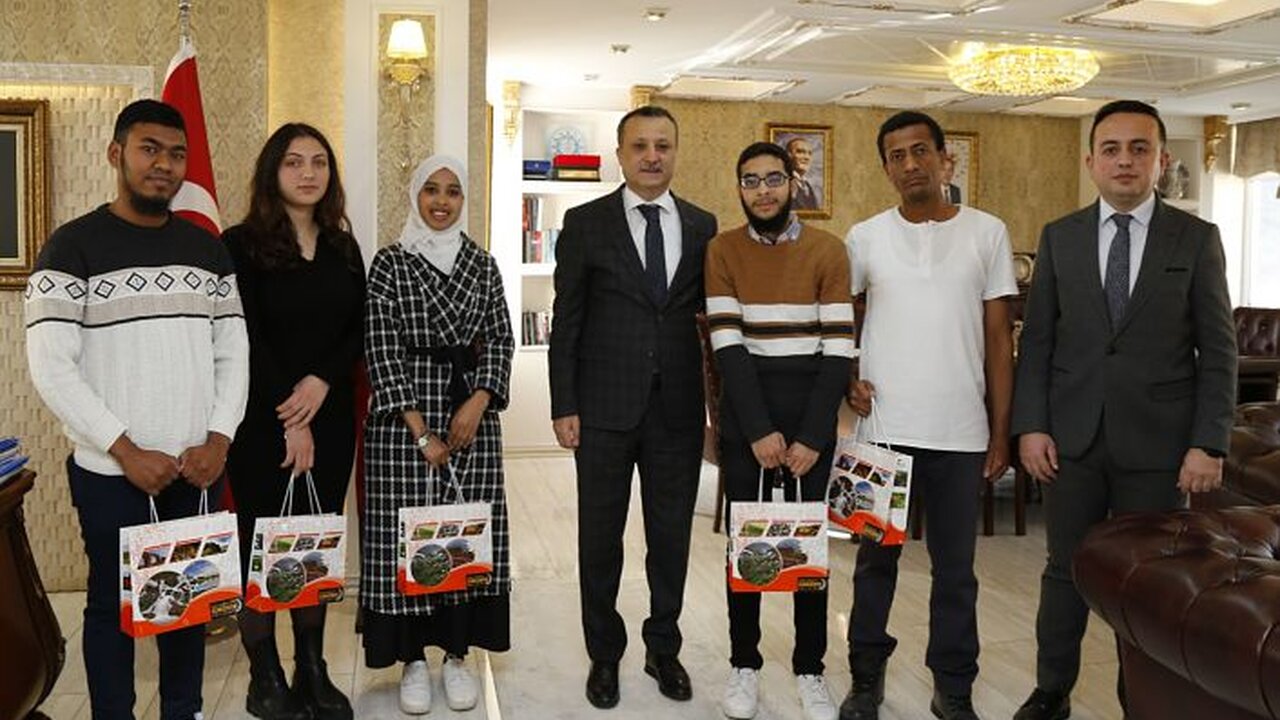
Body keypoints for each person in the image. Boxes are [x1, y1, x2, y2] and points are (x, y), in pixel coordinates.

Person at [1010, 100, 1236, 720]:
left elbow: (1219, 349)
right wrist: (1031, 426)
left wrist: (1209, 442)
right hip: (1070, 442)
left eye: (1140, 148)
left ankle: (1142, 701)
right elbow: (1039, 342)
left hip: (1161, 447)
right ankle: (1050, 691)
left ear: (1161, 161)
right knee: (1065, 570)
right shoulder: (1060, 237)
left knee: (1148, 582)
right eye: (1111, 149)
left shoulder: (1196, 239)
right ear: (1091, 161)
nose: (1125, 161)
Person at [24, 98, 249, 720]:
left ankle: (184, 710)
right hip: (110, 472)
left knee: (189, 602)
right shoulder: (70, 248)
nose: (164, 165)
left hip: (195, 467)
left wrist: (218, 440)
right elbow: (52, 367)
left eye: (176, 154)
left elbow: (233, 353)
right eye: (150, 149)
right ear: (116, 154)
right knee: (110, 606)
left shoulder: (207, 251)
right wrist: (125, 450)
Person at [839, 110, 1016, 720]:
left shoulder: (988, 233)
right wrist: (847, 379)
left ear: (946, 159)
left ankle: (953, 685)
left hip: (961, 434)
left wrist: (1000, 432)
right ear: (886, 168)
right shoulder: (864, 237)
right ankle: (866, 678)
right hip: (881, 434)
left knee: (956, 572)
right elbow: (843, 323)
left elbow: (999, 341)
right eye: (897, 155)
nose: (910, 164)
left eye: (921, 151)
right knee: (874, 565)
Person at [548, 105, 718, 709]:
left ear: (675, 152)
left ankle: (662, 648)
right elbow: (567, 319)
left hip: (677, 412)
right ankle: (604, 653)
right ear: (619, 154)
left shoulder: (702, 225)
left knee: (670, 539)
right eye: (640, 145)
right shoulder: (585, 223)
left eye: (663, 145)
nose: (652, 156)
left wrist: (717, 413)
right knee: (600, 540)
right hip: (602, 410)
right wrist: (563, 403)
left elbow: (709, 323)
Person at [362, 154, 515, 716]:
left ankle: (455, 655)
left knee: (462, 534)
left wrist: (479, 400)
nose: (442, 201)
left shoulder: (483, 264)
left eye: (453, 191)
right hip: (403, 424)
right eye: (431, 190)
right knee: (407, 536)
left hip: (471, 418)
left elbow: (501, 338)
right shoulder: (390, 262)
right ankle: (411, 660)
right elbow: (380, 348)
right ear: (414, 196)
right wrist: (422, 432)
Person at [222, 123, 365, 720]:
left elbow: (356, 327)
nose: (309, 173)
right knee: (262, 546)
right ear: (271, 172)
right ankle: (265, 677)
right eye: (294, 162)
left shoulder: (342, 247)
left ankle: (312, 667)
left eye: (319, 162)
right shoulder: (239, 244)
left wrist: (323, 381)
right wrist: (291, 416)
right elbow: (245, 336)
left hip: (330, 420)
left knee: (313, 545)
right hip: (261, 421)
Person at [706, 141, 854, 720]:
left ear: (793, 183)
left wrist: (813, 436)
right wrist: (758, 431)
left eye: (773, 179)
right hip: (749, 420)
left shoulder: (829, 250)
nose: (762, 190)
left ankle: (810, 668)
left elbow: (837, 350)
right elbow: (728, 347)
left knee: (808, 545)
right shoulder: (722, 250)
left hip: (810, 417)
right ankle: (744, 664)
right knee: (747, 544)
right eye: (751, 180)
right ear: (739, 188)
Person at [786, 136, 820, 210]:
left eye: (810, 153)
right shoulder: (783, 182)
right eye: (800, 152)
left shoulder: (807, 185)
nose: (807, 157)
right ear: (788, 155)